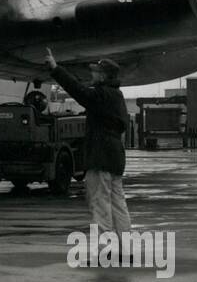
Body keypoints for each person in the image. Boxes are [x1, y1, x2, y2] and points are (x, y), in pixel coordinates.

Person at [42, 48, 131, 235]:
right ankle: (126, 248)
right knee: (118, 203)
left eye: (95, 72)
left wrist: (56, 69)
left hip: (101, 157)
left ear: (103, 76)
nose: (92, 74)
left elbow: (78, 90)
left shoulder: (102, 95)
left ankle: (105, 251)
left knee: (100, 204)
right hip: (115, 157)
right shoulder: (117, 95)